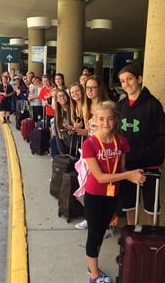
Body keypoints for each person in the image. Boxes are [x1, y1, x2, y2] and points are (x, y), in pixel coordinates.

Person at [82, 100, 146, 283]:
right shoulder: (90, 144)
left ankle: (92, 264)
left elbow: (122, 168)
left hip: (112, 194)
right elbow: (101, 177)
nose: (106, 123)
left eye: (110, 119)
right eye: (101, 119)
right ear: (94, 120)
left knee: (101, 231)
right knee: (94, 234)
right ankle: (94, 276)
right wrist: (128, 175)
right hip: (94, 194)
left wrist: (132, 174)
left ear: (116, 119)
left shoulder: (122, 141)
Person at [117, 63, 165, 225]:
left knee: (151, 208)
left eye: (129, 79)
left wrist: (144, 152)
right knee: (129, 205)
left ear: (139, 79)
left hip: (149, 165)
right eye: (122, 81)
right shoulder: (121, 106)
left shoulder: (153, 105)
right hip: (127, 165)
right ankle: (132, 243)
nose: (126, 84)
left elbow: (161, 137)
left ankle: (151, 243)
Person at [75, 75, 109, 230]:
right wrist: (77, 130)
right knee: (85, 185)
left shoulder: (106, 106)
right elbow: (88, 131)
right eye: (87, 87)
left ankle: (105, 224)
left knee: (101, 188)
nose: (89, 90)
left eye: (93, 87)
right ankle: (90, 218)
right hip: (88, 150)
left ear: (99, 88)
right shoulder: (85, 107)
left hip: (103, 151)